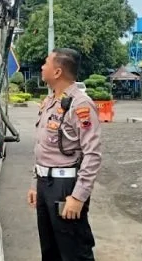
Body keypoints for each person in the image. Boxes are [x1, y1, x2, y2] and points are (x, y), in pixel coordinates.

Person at [27, 48, 102, 261]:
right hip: (45, 184)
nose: (42, 67)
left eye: (46, 62)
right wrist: (35, 183)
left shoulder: (80, 104)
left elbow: (93, 154)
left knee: (74, 252)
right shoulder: (50, 101)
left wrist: (78, 197)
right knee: (50, 251)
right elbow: (43, 147)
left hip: (65, 187)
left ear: (58, 71)